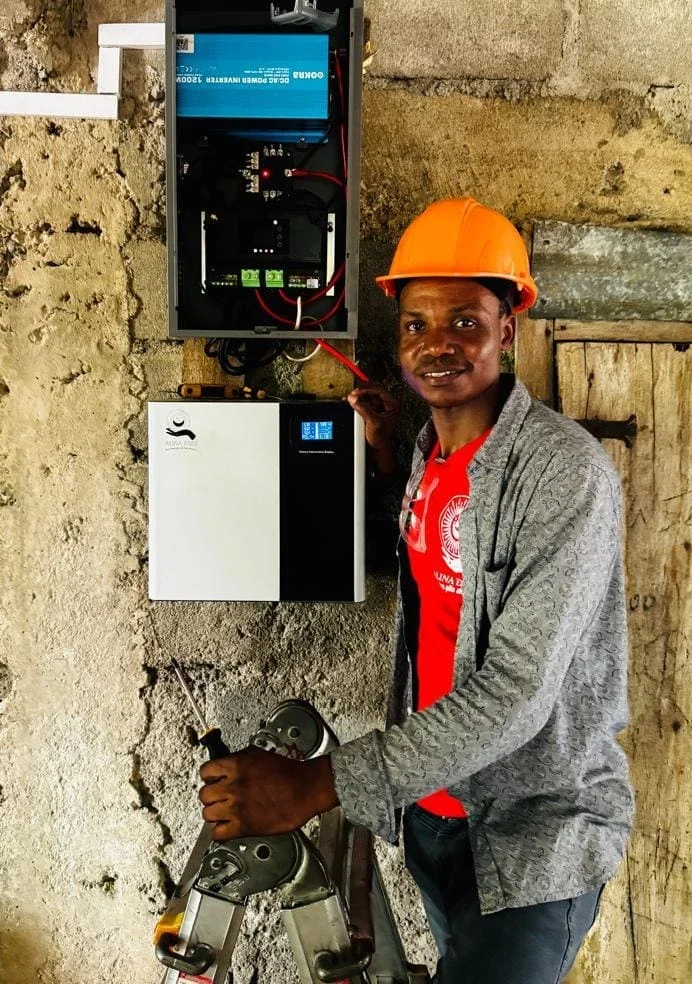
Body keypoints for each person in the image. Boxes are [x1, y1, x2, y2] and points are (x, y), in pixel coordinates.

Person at [199, 198, 634, 983]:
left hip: (534, 839)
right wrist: (383, 459)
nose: (436, 345)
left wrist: (319, 786)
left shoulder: (564, 474)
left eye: (464, 321)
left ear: (509, 326)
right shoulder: (430, 454)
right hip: (434, 819)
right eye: (415, 325)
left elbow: (517, 689)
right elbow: (442, 569)